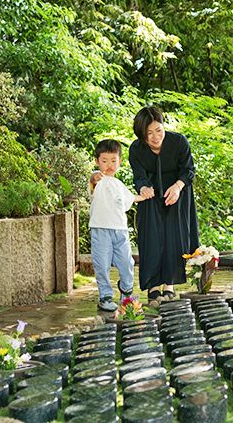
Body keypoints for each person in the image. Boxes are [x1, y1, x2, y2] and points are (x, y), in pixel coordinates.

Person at [128, 106, 198, 304]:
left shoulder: (178, 142)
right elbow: (139, 176)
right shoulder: (136, 149)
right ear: (142, 134)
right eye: (149, 133)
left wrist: (177, 187)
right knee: (151, 238)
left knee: (173, 238)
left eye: (158, 130)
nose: (155, 136)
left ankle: (169, 284)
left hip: (176, 195)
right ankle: (152, 287)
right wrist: (143, 188)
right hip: (150, 198)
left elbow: (188, 170)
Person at [88, 139, 146, 312]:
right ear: (97, 162)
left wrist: (145, 196)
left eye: (114, 161)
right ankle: (105, 296)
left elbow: (130, 199)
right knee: (102, 264)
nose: (109, 165)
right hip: (100, 229)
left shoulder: (119, 184)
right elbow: (92, 183)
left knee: (126, 263)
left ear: (120, 162)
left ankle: (126, 292)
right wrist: (94, 177)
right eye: (104, 161)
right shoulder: (97, 179)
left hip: (120, 231)